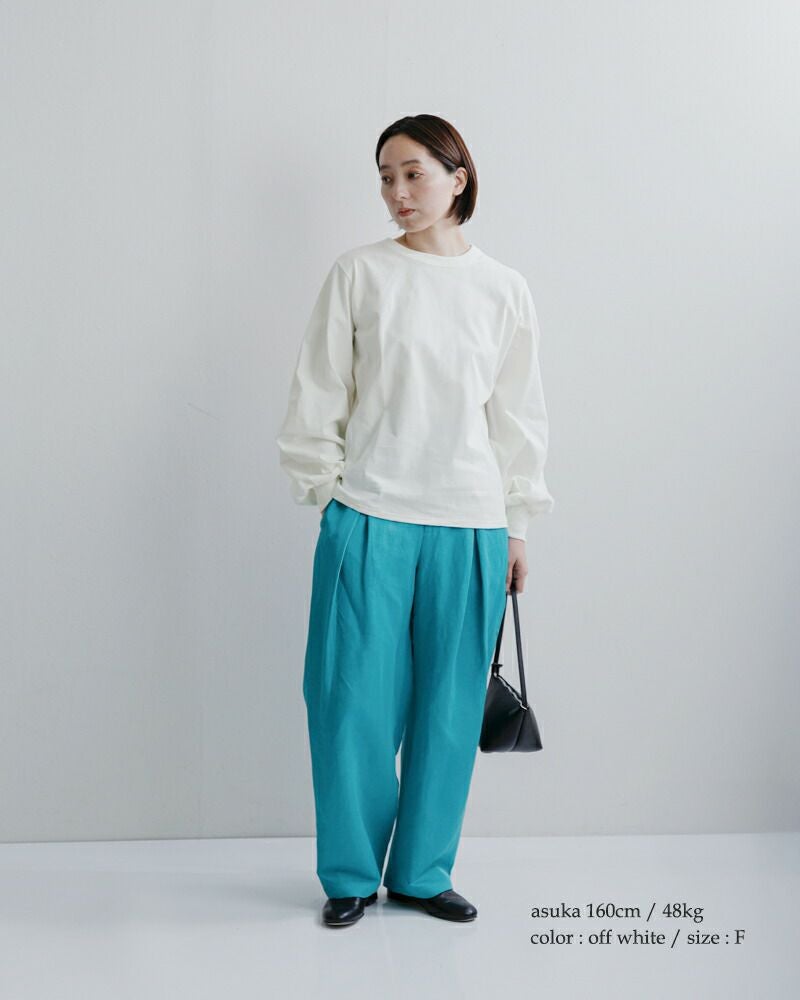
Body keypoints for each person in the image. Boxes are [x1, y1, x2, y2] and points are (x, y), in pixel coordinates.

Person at [276, 114, 555, 928]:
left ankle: (424, 872)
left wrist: (518, 523)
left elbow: (518, 417)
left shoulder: (504, 289)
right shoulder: (360, 274)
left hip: (471, 525)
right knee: (348, 705)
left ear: (457, 177)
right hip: (368, 516)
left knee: (449, 708)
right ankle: (350, 875)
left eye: (413, 174)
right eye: (386, 178)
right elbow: (318, 392)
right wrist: (327, 497)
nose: (397, 192)